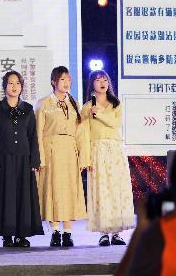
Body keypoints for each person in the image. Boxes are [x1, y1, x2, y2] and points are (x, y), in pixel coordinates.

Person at [35, 65, 89, 247]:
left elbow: (80, 133)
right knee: (53, 191)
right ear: (53, 82)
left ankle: (67, 233)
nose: (66, 83)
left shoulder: (74, 104)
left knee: (69, 192)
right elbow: (38, 133)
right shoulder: (43, 103)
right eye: (62, 79)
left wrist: (83, 158)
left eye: (68, 79)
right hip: (51, 151)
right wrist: (40, 157)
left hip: (70, 153)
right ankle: (55, 232)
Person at [0, 71, 43, 247]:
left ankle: (22, 235)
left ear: (22, 87)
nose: (14, 87)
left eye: (17, 83)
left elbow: (33, 136)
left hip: (24, 159)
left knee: (23, 196)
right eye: (10, 83)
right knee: (5, 195)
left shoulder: (27, 108)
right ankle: (7, 235)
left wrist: (35, 160)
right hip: (4, 158)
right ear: (5, 86)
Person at [82, 70, 134, 246]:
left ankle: (117, 233)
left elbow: (116, 123)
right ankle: (103, 233)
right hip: (97, 150)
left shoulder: (116, 103)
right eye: (98, 80)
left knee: (116, 189)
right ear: (92, 84)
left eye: (105, 79)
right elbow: (84, 133)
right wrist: (86, 157)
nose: (102, 83)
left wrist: (100, 114)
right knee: (101, 190)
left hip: (115, 149)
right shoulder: (87, 107)